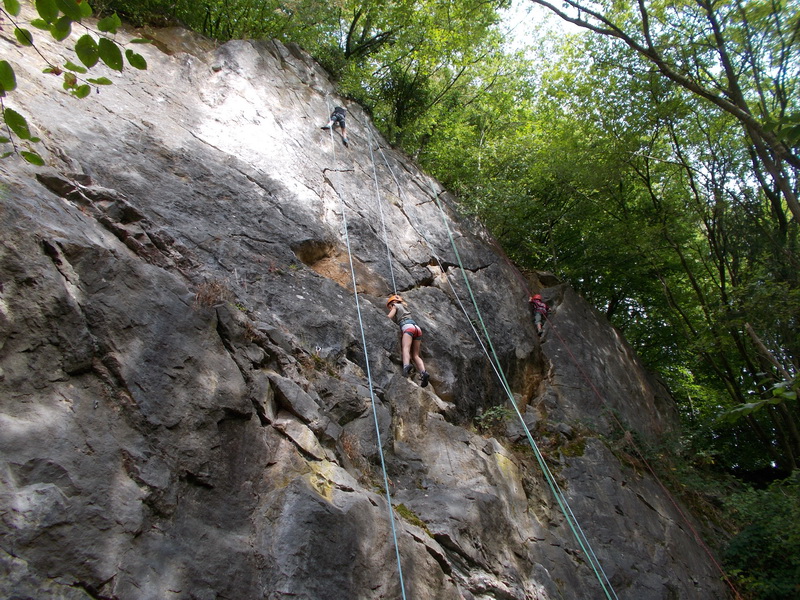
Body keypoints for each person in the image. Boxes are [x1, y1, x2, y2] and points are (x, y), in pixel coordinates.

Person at [386, 294, 430, 387]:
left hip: (407, 327)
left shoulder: (395, 306)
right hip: (417, 328)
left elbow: (389, 316)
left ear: (391, 303)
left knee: (406, 348)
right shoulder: (405, 307)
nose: (390, 308)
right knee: (416, 355)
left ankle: (406, 366)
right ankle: (423, 372)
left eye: (389, 307)